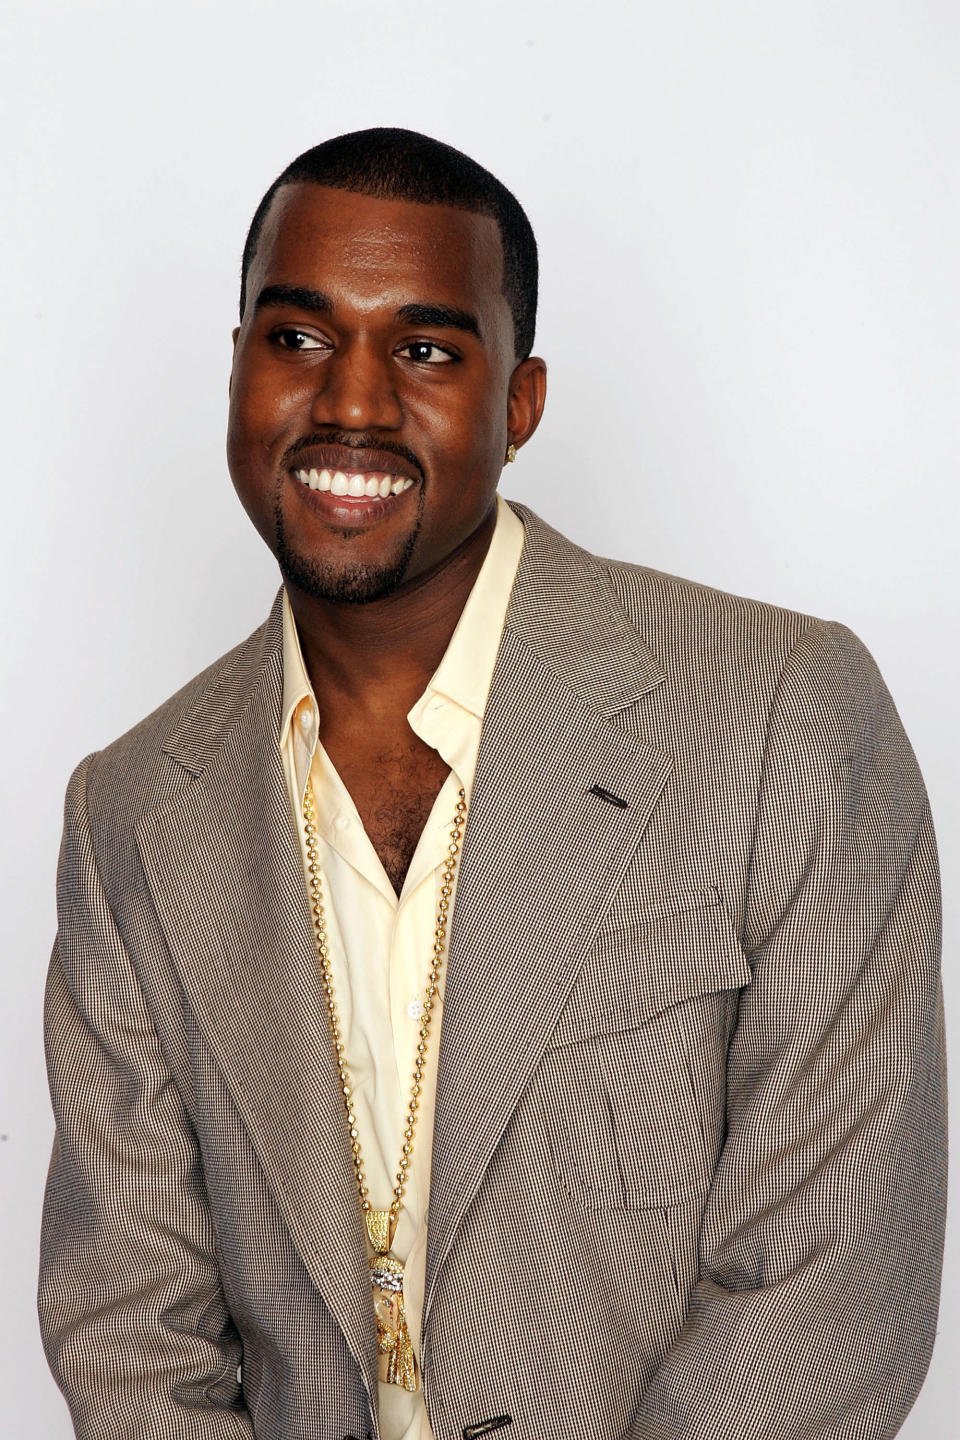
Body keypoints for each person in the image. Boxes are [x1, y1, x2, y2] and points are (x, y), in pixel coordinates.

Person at [38, 128, 946, 1440]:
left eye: (423, 349)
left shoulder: (784, 715)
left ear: (518, 404)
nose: (350, 403)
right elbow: (127, 1325)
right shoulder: (126, 814)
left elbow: (832, 1285)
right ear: (235, 370)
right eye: (296, 339)